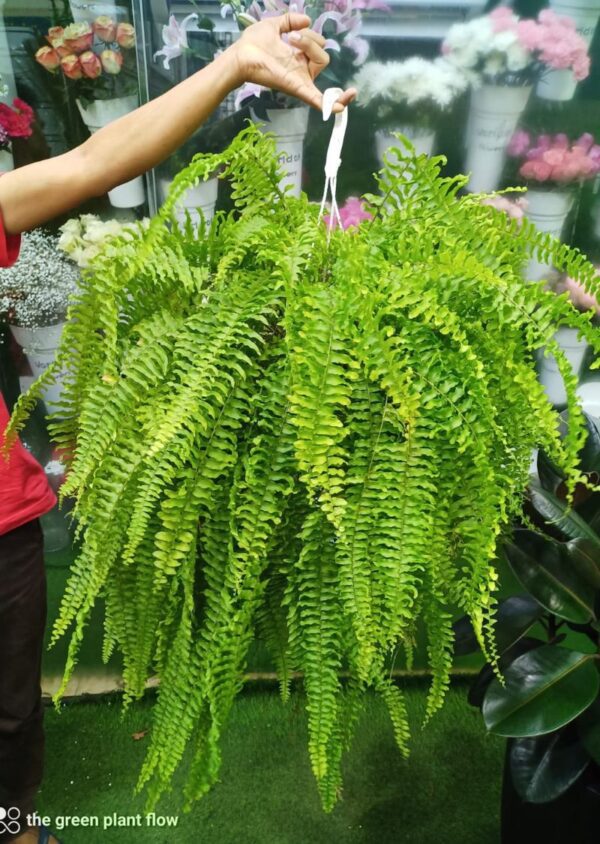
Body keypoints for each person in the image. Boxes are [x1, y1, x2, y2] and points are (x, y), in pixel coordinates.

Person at [0, 14, 355, 843]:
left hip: (3, 519)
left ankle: (15, 828)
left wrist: (234, 65)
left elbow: (94, 161)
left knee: (11, 714)